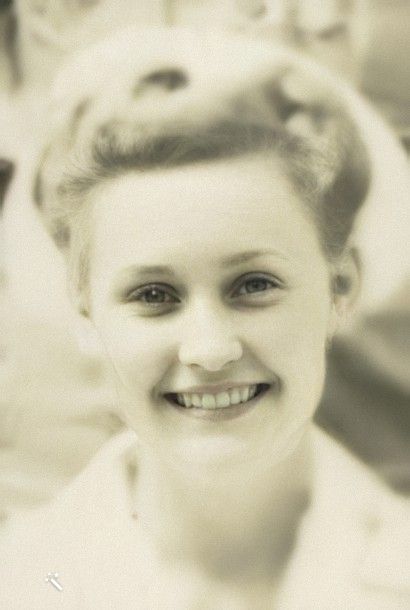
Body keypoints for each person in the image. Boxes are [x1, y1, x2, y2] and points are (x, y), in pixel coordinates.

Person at [0, 27, 409, 609]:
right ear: (85, 312)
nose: (210, 349)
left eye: (255, 285)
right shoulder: (25, 581)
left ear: (339, 287)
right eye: (153, 295)